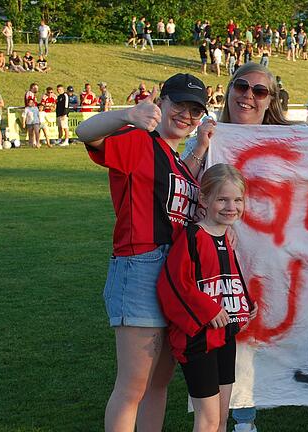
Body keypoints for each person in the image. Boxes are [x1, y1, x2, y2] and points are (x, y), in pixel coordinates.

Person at [180, 61, 308, 432]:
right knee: (238, 339)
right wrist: (203, 146)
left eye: (260, 91)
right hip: (227, 262)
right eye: (242, 87)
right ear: (229, 89)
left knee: (306, 334)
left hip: (289, 261)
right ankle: (243, 420)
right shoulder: (209, 137)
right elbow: (181, 187)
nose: (248, 97)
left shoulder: (290, 137)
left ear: (271, 100)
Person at [76, 73, 209, 431]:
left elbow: (179, 184)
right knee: (133, 385)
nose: (186, 115)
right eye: (179, 105)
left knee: (159, 383)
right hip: (141, 265)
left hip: (172, 273)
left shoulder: (174, 156)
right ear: (161, 102)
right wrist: (127, 115)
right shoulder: (138, 140)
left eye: (194, 110)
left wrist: (198, 148)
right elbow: (85, 132)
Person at [157, 163, 257, 432]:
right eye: (222, 199)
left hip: (224, 338)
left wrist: (244, 305)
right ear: (204, 199)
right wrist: (208, 310)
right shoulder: (193, 237)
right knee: (208, 420)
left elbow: (227, 279)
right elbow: (173, 285)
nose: (231, 206)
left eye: (237, 200)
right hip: (197, 342)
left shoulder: (227, 237)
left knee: (222, 419)